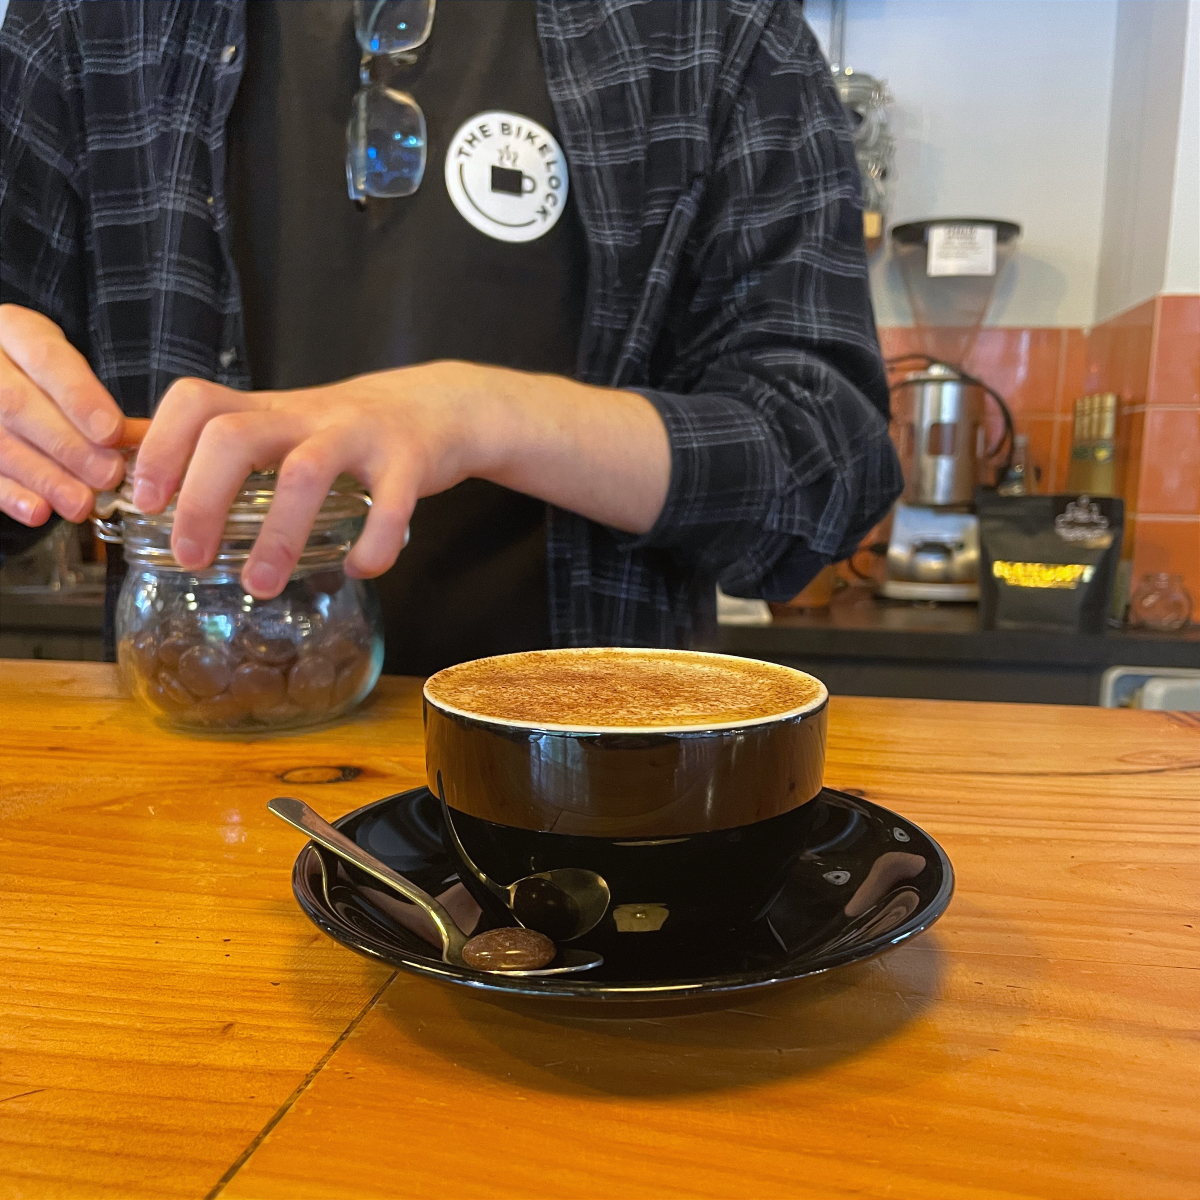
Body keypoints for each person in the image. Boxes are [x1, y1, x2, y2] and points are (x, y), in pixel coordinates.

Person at [0, 0, 901, 675]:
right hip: (184, 767)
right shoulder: (88, 24)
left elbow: (826, 473)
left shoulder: (710, 26)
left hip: (598, 804)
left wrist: (481, 416)